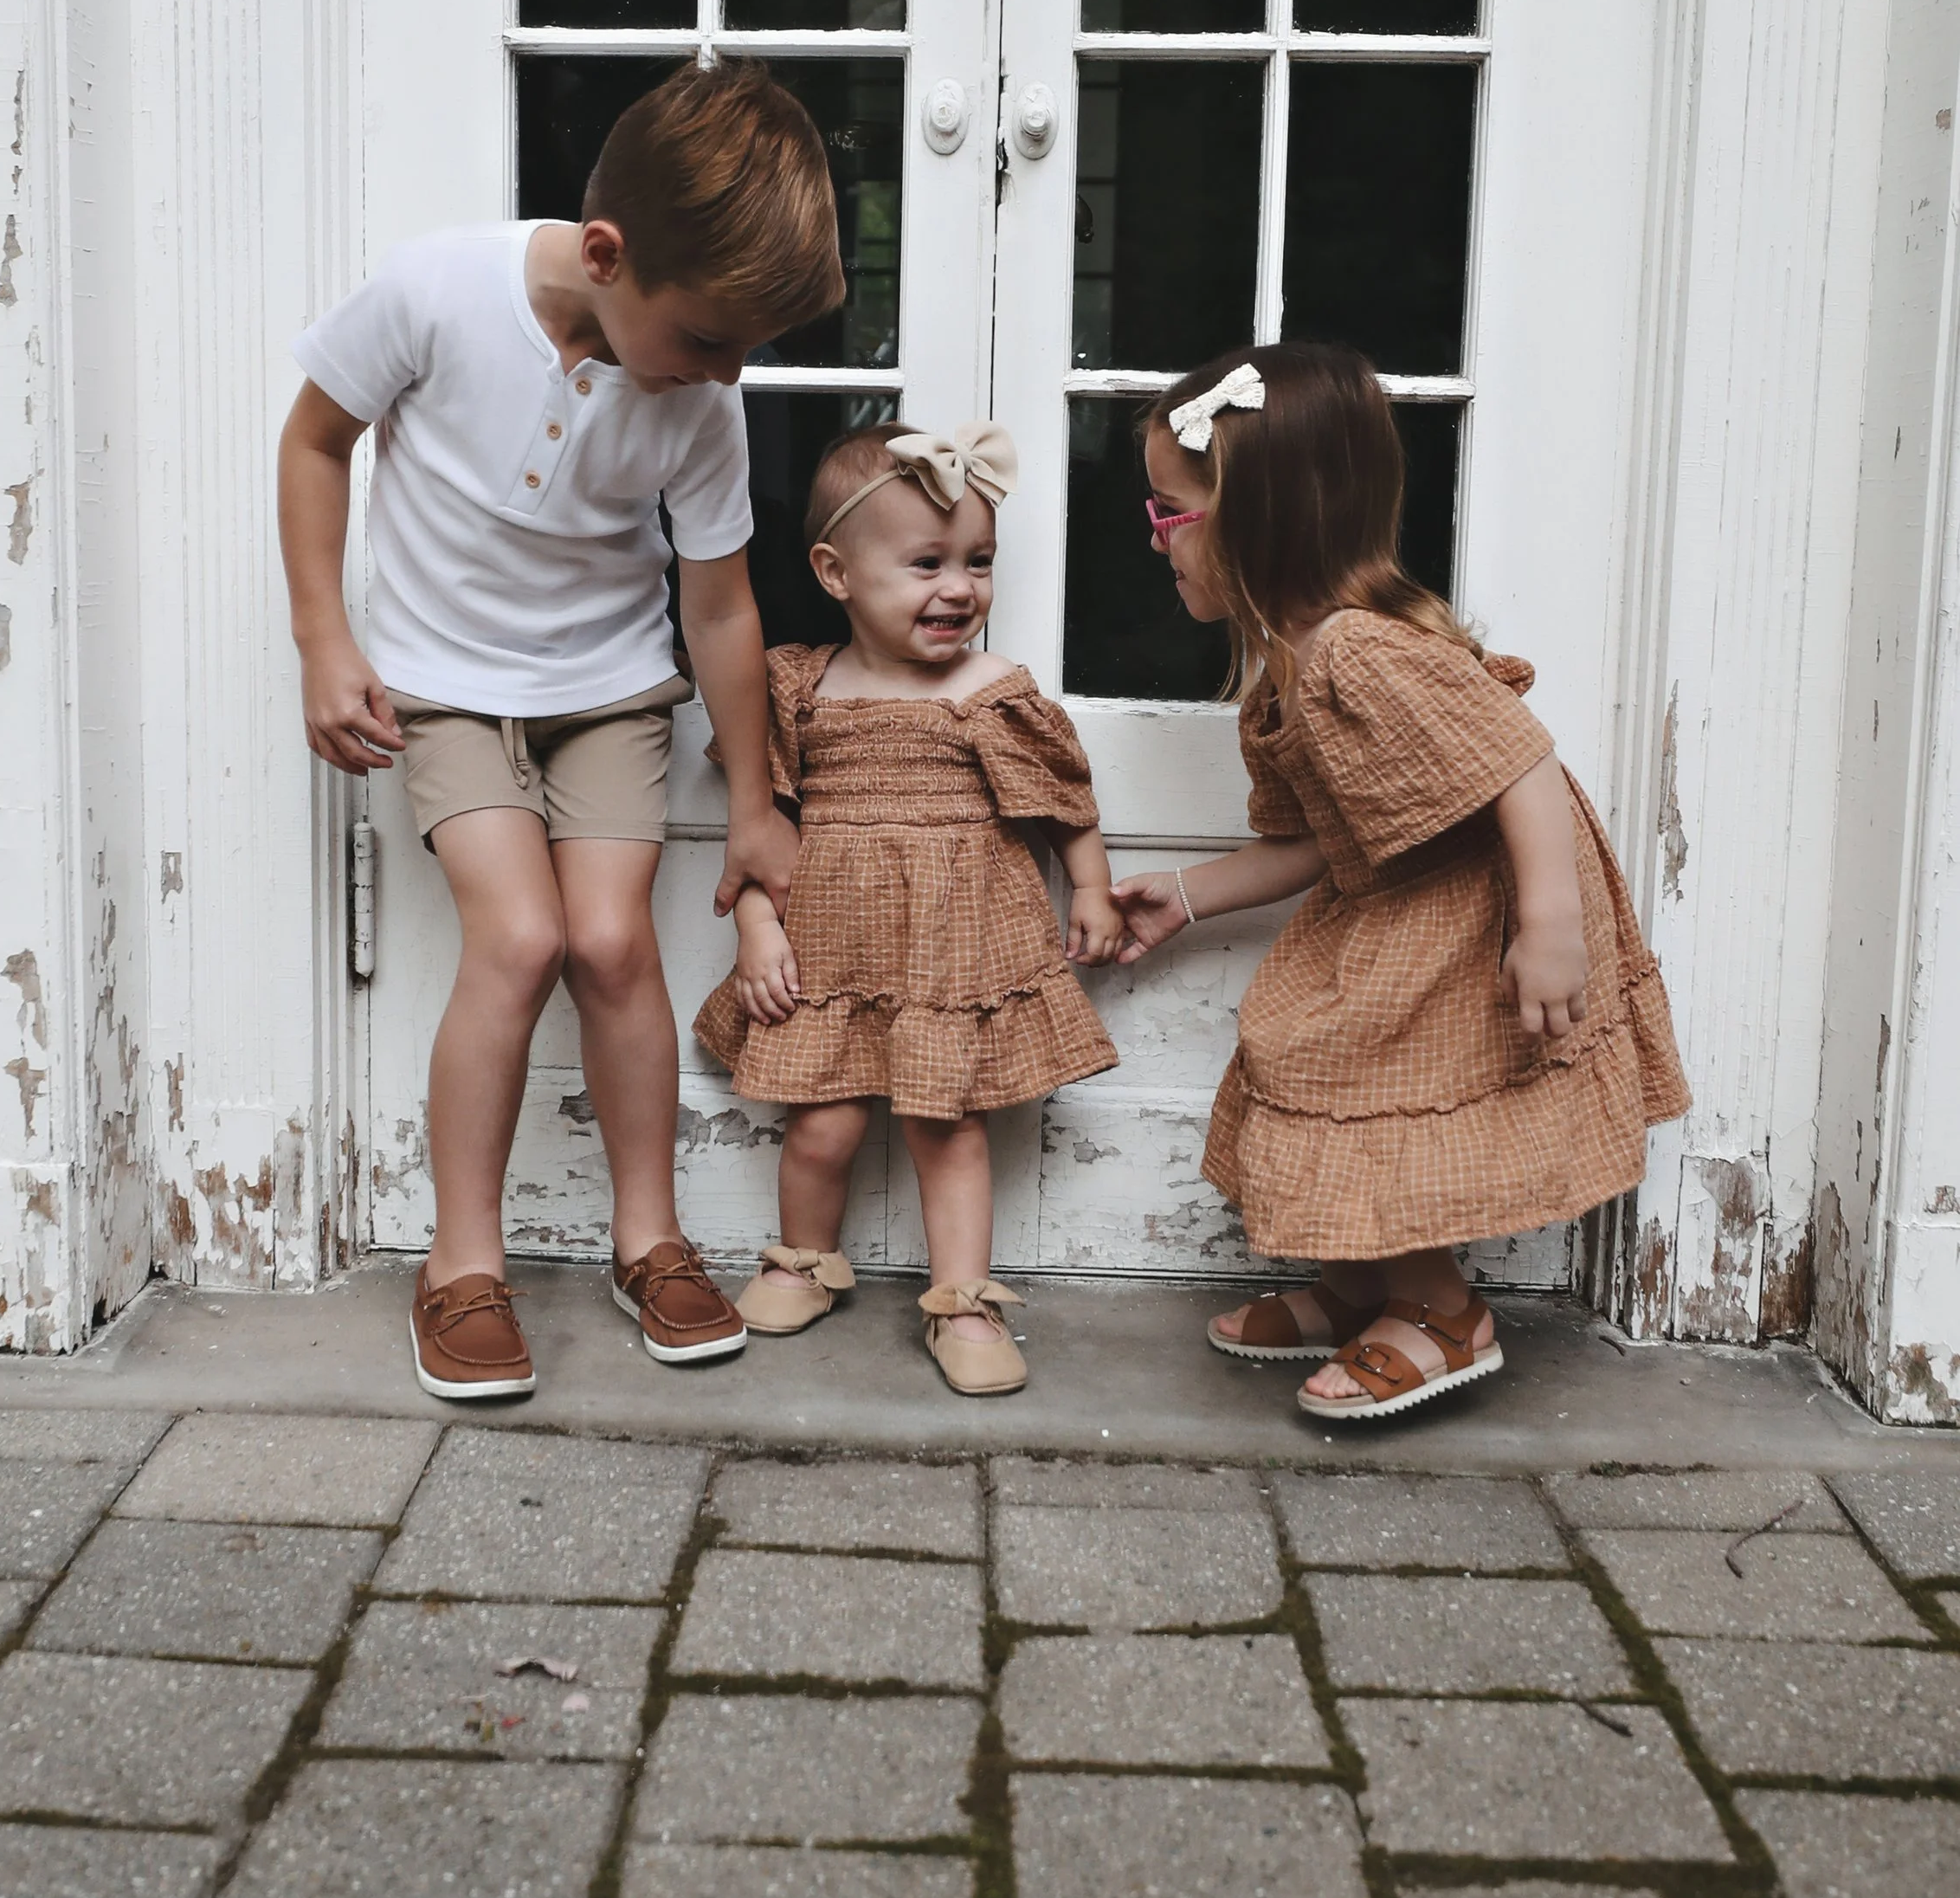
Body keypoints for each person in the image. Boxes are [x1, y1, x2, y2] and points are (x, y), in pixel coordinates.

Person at [278, 60, 844, 1399]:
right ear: (608, 254)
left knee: (609, 940)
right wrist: (323, 638)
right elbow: (316, 442)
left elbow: (717, 606)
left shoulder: (700, 403)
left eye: (742, 351)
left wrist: (757, 800)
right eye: (710, 337)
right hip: (444, 686)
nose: (727, 372)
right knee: (520, 935)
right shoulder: (433, 292)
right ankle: (460, 1262)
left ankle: (647, 1237)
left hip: (608, 688)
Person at [1113, 345, 1689, 1424]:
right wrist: (1188, 894)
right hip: (1395, 897)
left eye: (1169, 513)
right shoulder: (1290, 666)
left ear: (1261, 517)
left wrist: (1552, 924)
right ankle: (1365, 1283)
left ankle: (1440, 1311)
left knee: (1365, 1073)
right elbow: (1319, 844)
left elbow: (1516, 755)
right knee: (1310, 1045)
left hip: (1478, 910)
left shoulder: (1355, 653)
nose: (1155, 540)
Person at [693, 422, 1125, 1394]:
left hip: (952, 949)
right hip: (832, 946)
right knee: (823, 1124)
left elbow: (1064, 804)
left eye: (977, 563)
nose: (959, 588)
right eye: (926, 563)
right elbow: (762, 818)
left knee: (948, 1126)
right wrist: (757, 928)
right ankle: (803, 1259)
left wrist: (1090, 886)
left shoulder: (991, 691)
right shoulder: (801, 687)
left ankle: (963, 1300)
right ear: (835, 572)